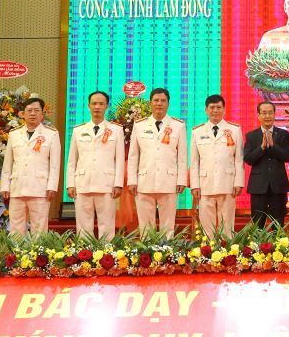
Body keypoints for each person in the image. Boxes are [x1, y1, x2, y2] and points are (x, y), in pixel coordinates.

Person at [127, 88, 187, 237]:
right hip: (144, 181)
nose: (159, 103)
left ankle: (167, 249)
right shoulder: (139, 125)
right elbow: (133, 155)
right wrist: (132, 180)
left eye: (163, 101)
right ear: (150, 103)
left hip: (169, 181)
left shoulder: (178, 125)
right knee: (146, 226)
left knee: (168, 225)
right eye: (156, 100)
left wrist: (181, 180)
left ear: (168, 103)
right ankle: (148, 250)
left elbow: (182, 157)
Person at [65, 91, 124, 239]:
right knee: (83, 226)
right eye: (94, 103)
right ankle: (84, 252)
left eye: (101, 104)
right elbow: (72, 160)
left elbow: (119, 160)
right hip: (82, 183)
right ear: (88, 106)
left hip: (106, 184)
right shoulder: (78, 130)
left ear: (107, 106)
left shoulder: (116, 130)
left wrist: (118, 184)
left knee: (107, 224)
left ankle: (106, 252)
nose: (97, 107)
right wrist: (70, 184)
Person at [1, 97, 61, 235]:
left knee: (39, 228)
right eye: (29, 110)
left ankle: (38, 250)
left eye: (36, 110)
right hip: (17, 187)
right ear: (23, 114)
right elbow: (8, 163)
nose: (32, 113)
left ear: (42, 113)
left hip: (40, 188)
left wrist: (52, 186)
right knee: (16, 227)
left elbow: (55, 165)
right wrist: (5, 185)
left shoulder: (51, 134)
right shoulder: (14, 134)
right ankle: (16, 249)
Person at [190, 94, 244, 239]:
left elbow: (239, 159)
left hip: (228, 183)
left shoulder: (235, 129)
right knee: (207, 227)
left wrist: (238, 182)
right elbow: (194, 162)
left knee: (227, 227)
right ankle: (208, 251)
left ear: (224, 109)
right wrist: (195, 185)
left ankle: (228, 250)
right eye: (212, 107)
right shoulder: (197, 131)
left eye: (219, 107)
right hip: (205, 184)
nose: (215, 110)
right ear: (206, 110)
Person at [243, 101, 289, 228]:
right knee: (257, 226)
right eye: (264, 113)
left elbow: (287, 157)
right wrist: (262, 147)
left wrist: (273, 146)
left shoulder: (283, 134)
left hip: (278, 186)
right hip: (258, 186)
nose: (267, 116)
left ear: (275, 114)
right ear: (258, 115)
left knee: (278, 225)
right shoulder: (251, 136)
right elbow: (248, 159)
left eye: (270, 113)